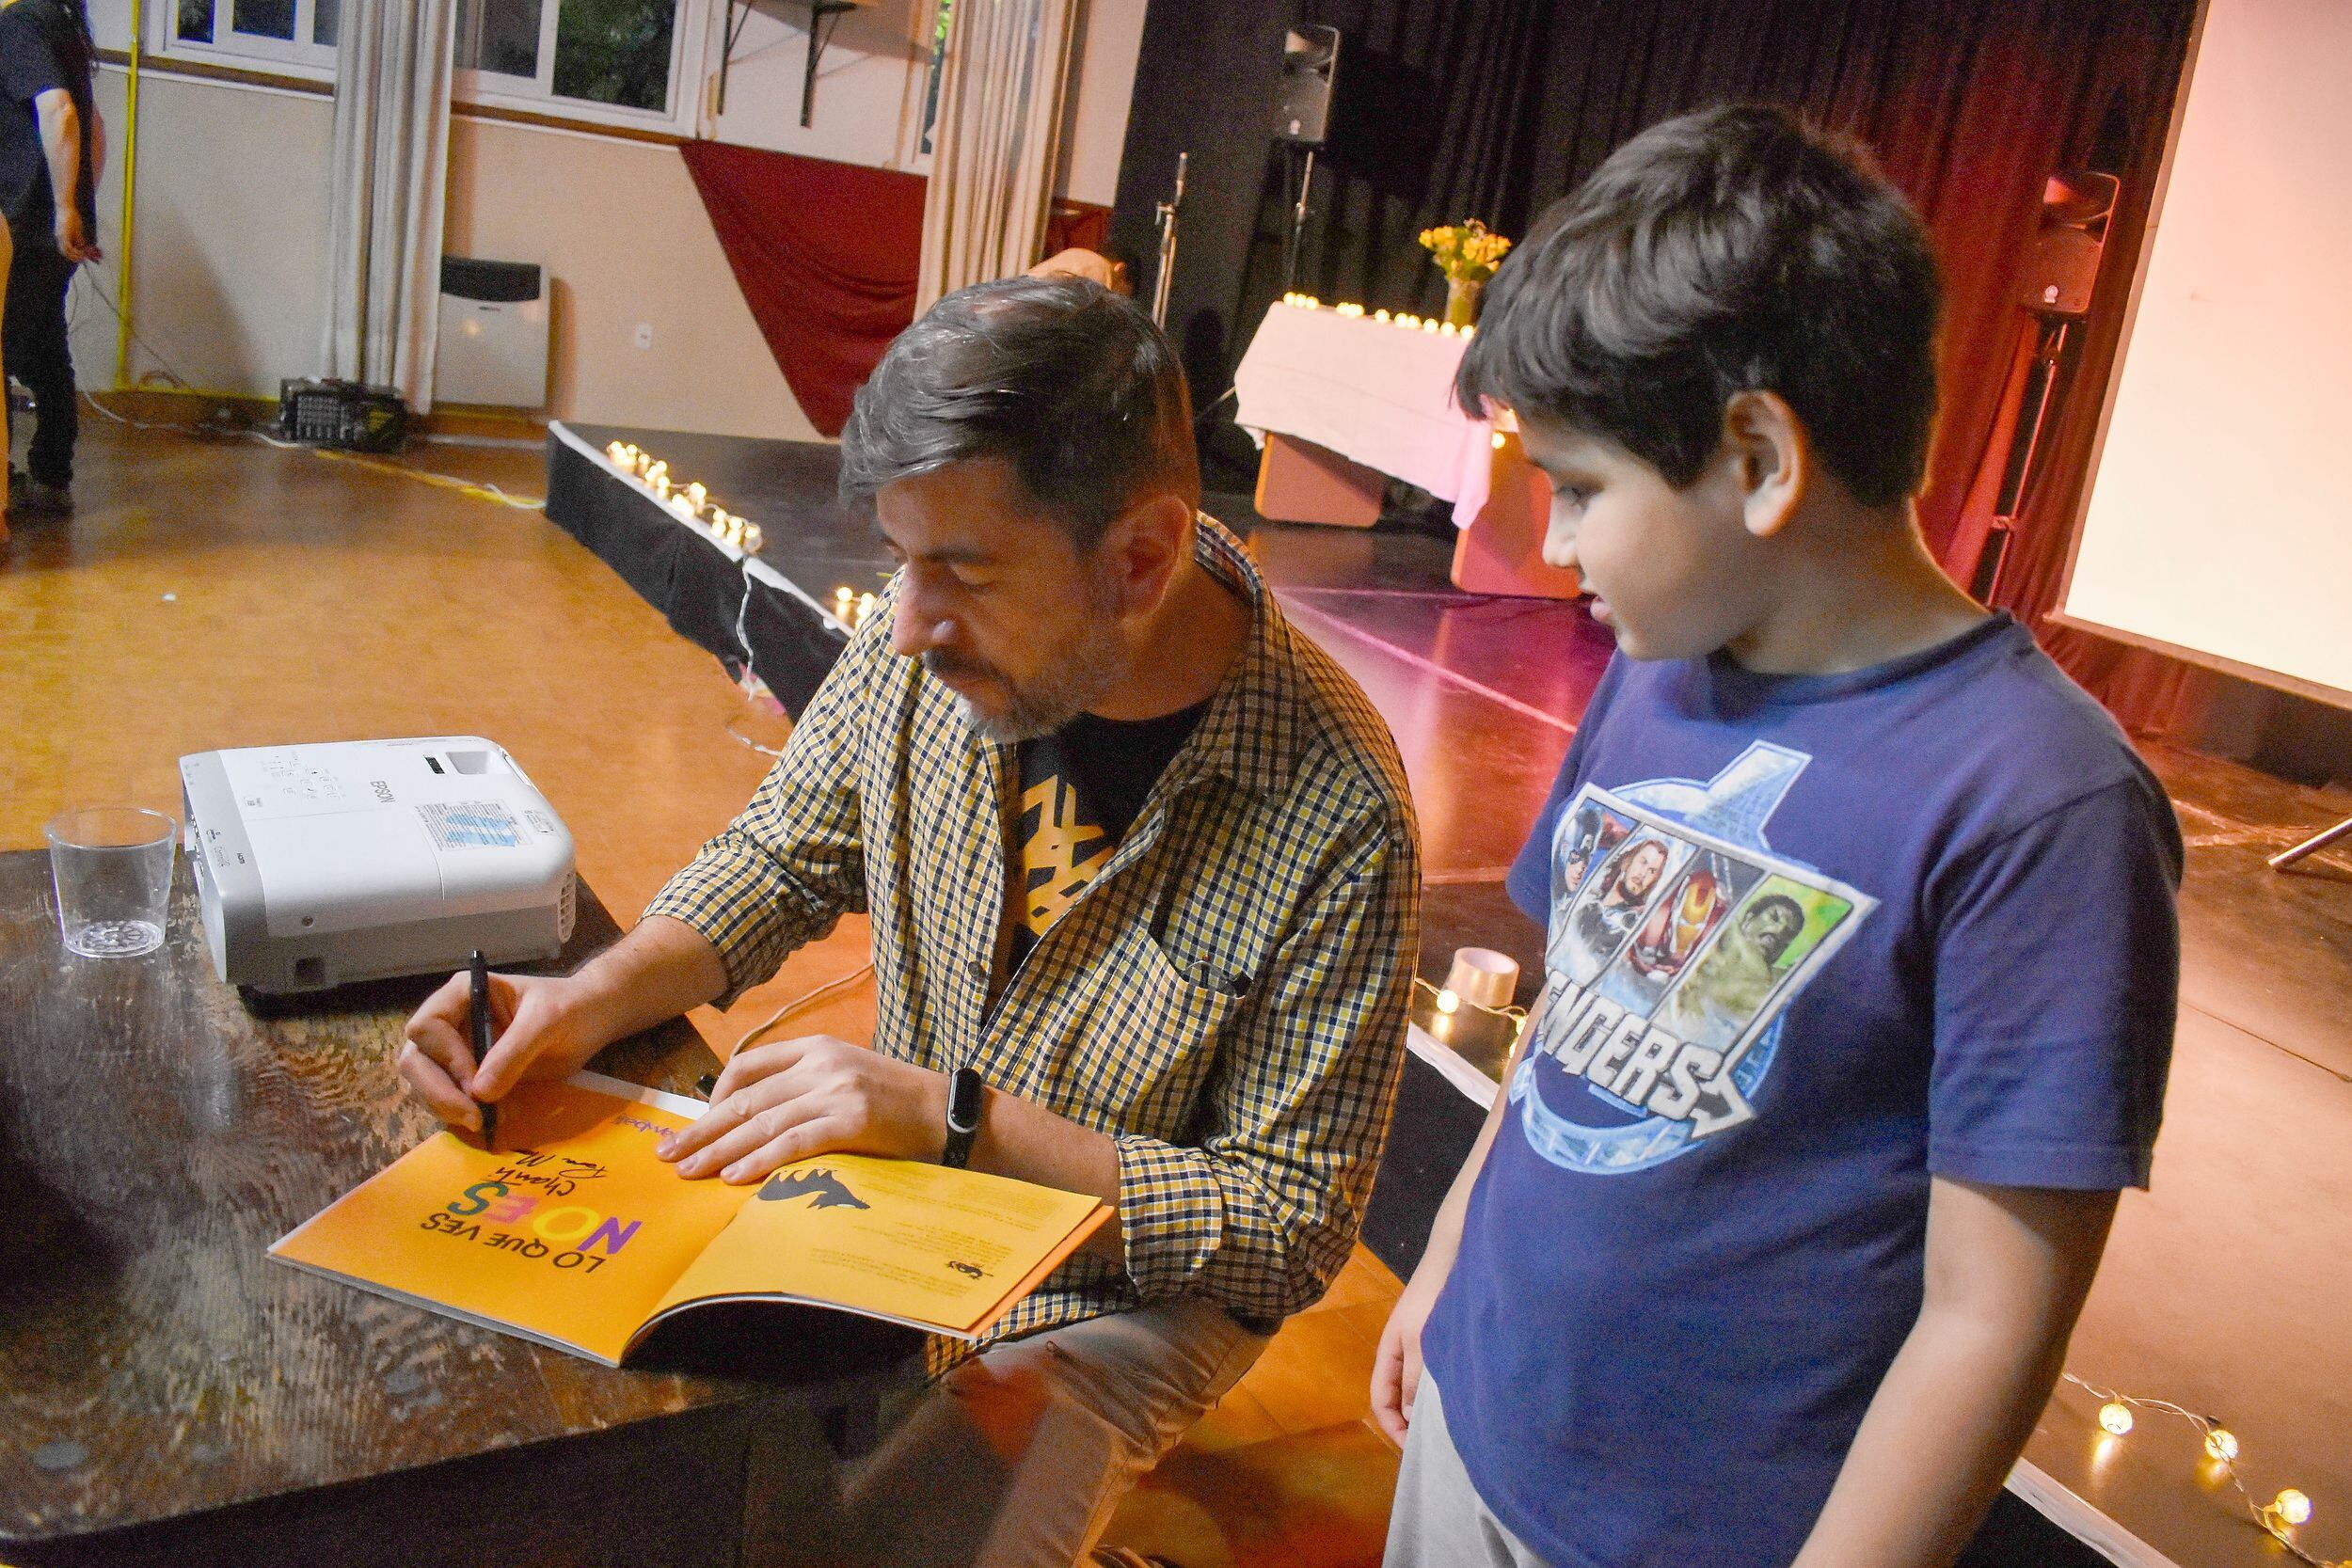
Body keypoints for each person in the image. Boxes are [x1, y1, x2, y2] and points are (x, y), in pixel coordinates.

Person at [400, 275, 1422, 1567]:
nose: (905, 627)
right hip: (898, 1198)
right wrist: (582, 997)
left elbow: (1283, 1225)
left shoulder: (1338, 809)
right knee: (637, 1473)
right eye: (898, 560)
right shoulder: (937, 651)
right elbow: (782, 855)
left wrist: (960, 1120)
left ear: (1140, 559)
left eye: (963, 572)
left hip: (1119, 1290)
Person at [1375, 103, 2181, 1568]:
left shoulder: (2039, 802)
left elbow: (1991, 1316)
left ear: (1756, 453)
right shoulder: (1655, 671)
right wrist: (1445, 1256)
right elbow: (1569, 1031)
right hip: (1473, 1422)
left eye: (1580, 487)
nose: (1553, 543)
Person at [0, 0, 100, 516]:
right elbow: (94, 128)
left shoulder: (18, 23)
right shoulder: (59, 23)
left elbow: (59, 110)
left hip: (24, 226)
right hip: (49, 230)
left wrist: (65, 209)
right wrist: (77, 207)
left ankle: (4, 479)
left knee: (4, 350)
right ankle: (52, 469)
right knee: (43, 345)